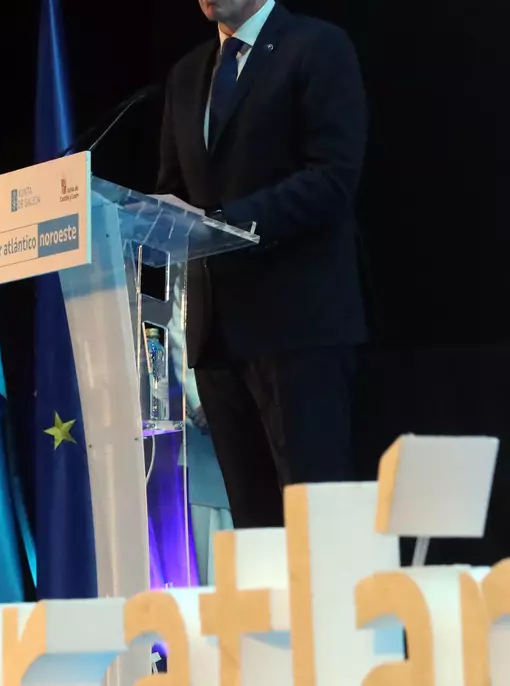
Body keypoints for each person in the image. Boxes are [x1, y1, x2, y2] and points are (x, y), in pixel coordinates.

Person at [154, 0, 368, 528]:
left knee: (316, 520)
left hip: (298, 327)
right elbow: (175, 192)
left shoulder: (316, 47)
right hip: (217, 337)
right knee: (255, 529)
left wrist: (227, 223)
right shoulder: (186, 75)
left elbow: (331, 179)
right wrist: (152, 217)